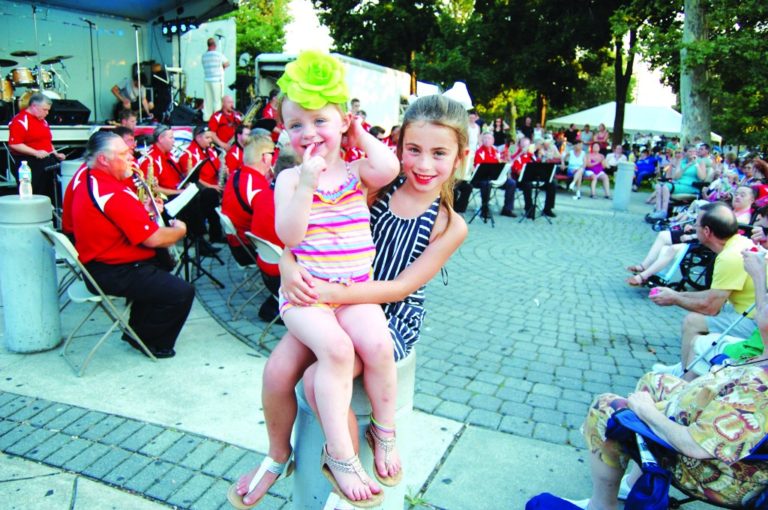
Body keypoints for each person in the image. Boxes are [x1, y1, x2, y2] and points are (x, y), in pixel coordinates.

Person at [229, 93, 468, 510]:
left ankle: (352, 452)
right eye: (413, 150)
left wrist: (335, 294)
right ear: (397, 147)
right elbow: (313, 233)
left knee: (314, 381)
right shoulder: (374, 183)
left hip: (385, 311)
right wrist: (288, 263)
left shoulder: (449, 224)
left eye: (438, 153)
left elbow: (398, 288)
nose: (424, 165)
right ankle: (277, 455)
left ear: (460, 156)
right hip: (331, 297)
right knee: (277, 370)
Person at [542, 246, 768, 510]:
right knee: (655, 381)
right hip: (714, 430)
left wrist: (648, 413)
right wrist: (758, 275)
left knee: (606, 408)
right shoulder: (763, 355)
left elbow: (697, 446)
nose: (760, 304)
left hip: (723, 476)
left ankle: (601, 505)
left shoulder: (758, 388)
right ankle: (635, 482)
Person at [270, 51, 400, 506]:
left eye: (320, 121)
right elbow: (288, 234)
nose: (309, 134)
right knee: (338, 351)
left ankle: (384, 430)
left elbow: (389, 169)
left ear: (343, 121)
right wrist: (306, 183)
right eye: (296, 125)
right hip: (307, 298)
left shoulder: (354, 171)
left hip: (353, 291)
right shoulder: (289, 178)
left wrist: (358, 131)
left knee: (380, 347)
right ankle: (341, 455)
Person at [71, 131, 193, 358]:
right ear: (103, 160)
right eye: (124, 154)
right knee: (182, 292)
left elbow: (117, 217)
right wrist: (180, 231)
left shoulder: (91, 178)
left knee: (160, 264)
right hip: (109, 270)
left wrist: (142, 211)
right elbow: (154, 238)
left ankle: (138, 328)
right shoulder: (111, 191)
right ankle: (149, 341)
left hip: (100, 263)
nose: (131, 157)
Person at [650, 202, 757, 380]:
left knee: (693, 321)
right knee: (701, 318)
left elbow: (710, 307)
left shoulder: (729, 257)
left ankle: (683, 378)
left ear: (707, 231)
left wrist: (675, 299)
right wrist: (676, 294)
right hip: (751, 313)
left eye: (696, 224)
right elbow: (713, 295)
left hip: (756, 324)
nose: (692, 227)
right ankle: (685, 365)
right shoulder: (738, 243)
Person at [138, 125, 222, 253]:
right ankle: (199, 241)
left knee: (209, 194)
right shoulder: (150, 160)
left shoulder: (169, 155)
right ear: (161, 139)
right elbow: (154, 189)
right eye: (171, 138)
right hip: (165, 201)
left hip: (177, 193)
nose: (174, 141)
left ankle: (214, 234)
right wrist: (180, 192)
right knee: (193, 199)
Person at [7, 93, 66, 204]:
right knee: (36, 194)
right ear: (34, 106)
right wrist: (35, 152)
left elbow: (46, 141)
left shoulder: (43, 121)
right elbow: (14, 144)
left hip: (46, 160)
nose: (47, 113)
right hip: (30, 163)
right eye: (44, 110)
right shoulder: (20, 120)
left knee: (52, 193)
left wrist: (55, 153)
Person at [179, 125, 224, 193]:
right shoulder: (188, 155)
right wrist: (210, 186)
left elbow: (218, 168)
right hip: (204, 191)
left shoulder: (210, 150)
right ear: (198, 137)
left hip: (216, 185)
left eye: (211, 138)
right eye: (207, 138)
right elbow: (192, 179)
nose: (211, 140)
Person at [201, 37, 229, 121]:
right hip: (216, 80)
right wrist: (222, 67)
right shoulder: (218, 54)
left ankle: (206, 118)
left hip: (207, 79)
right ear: (214, 45)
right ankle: (217, 118)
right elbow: (227, 63)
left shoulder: (204, 56)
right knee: (217, 100)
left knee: (207, 100)